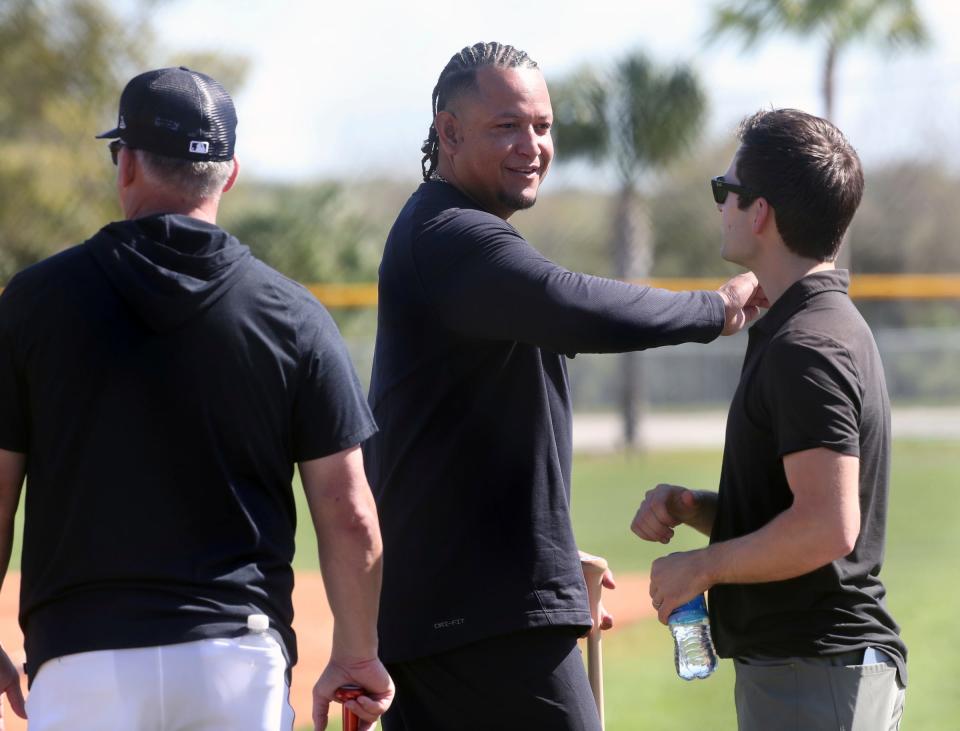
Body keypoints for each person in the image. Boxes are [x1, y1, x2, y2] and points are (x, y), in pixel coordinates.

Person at [363, 42, 764, 730]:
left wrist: (541, 552)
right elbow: (571, 303)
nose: (532, 146)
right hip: (481, 622)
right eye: (507, 127)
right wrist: (715, 309)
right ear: (448, 131)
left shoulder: (447, 233)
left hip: (453, 606)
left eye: (543, 127)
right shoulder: (450, 235)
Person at [0, 67, 393, 731]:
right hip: (236, 661)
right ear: (230, 174)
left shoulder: (32, 304)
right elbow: (348, 508)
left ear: (125, 164)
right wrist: (356, 652)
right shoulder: (292, 314)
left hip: (81, 661)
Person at [631, 108, 907, 730]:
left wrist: (701, 566)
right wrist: (693, 506)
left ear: (759, 213)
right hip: (808, 673)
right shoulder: (806, 325)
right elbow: (792, 511)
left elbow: (828, 526)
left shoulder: (807, 343)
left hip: (817, 673)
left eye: (724, 191)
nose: (720, 205)